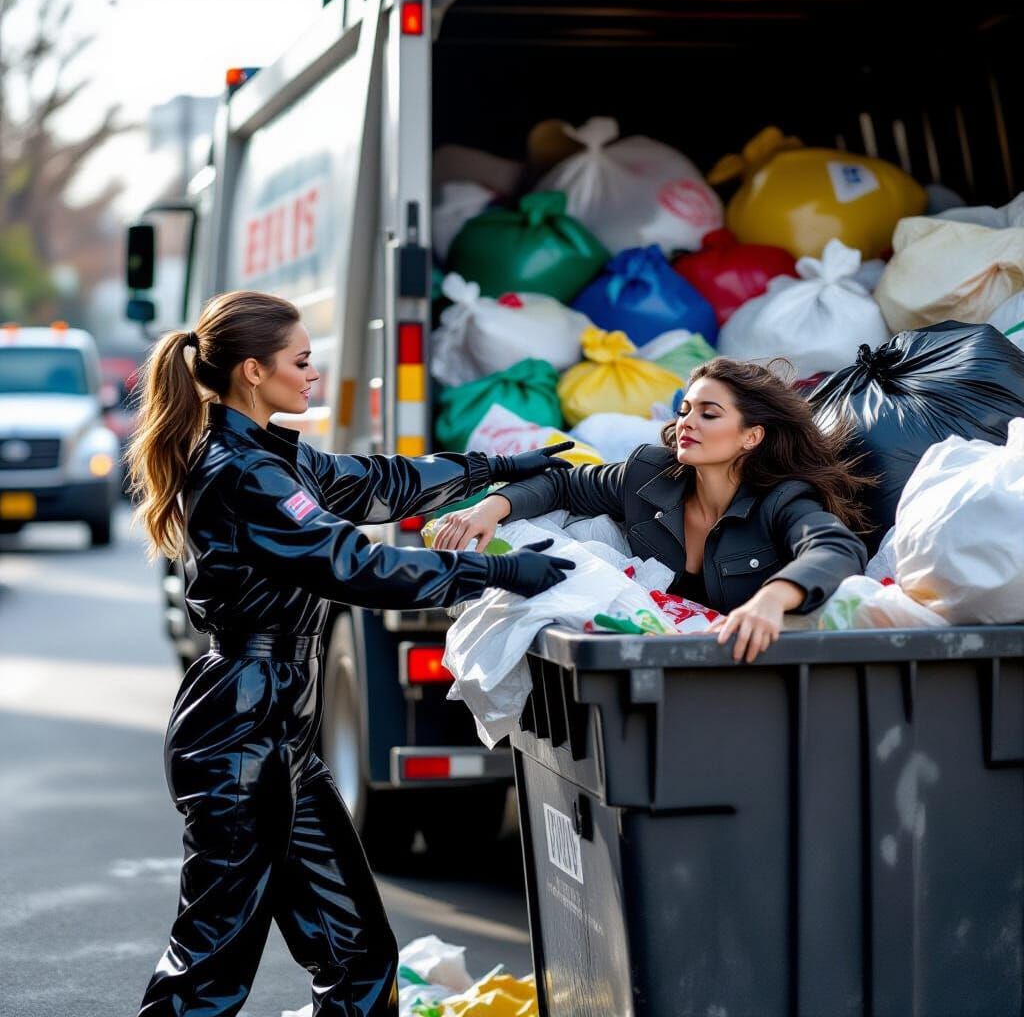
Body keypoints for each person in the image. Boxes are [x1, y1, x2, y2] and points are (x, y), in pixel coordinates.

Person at [126, 290, 575, 1017]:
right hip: (241, 736)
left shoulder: (275, 457)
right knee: (207, 971)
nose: (312, 376)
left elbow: (379, 483)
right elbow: (352, 566)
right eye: (301, 362)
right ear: (250, 371)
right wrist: (491, 571)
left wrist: (494, 468)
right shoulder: (244, 474)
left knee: (359, 954)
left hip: (279, 734)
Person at [433, 357, 871, 663]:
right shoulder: (649, 474)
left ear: (751, 437)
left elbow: (835, 547)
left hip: (744, 673)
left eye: (709, 414)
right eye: (684, 410)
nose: (687, 423)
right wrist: (491, 507)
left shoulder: (782, 499)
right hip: (649, 671)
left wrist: (773, 599)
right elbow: (562, 483)